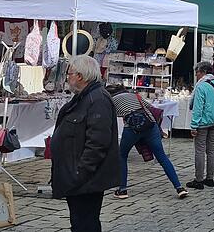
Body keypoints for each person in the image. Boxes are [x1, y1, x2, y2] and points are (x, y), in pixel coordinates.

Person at [50, 55, 120, 232]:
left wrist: (80, 172)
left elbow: (98, 142)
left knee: (85, 224)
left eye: (70, 74)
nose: (68, 77)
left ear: (80, 76)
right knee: (80, 222)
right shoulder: (83, 97)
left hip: (86, 179)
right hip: (78, 178)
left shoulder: (98, 100)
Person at [107, 84, 187, 199]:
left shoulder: (112, 100)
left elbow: (108, 116)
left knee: (122, 156)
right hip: (150, 126)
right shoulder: (135, 95)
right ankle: (179, 187)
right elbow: (150, 108)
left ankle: (122, 189)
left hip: (132, 128)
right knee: (162, 157)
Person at [186, 61, 214, 190]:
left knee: (200, 150)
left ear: (202, 72)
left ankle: (198, 179)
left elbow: (198, 108)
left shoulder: (201, 87)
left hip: (203, 122)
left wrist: (194, 125)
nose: (196, 75)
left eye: (197, 72)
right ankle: (210, 178)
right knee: (211, 149)